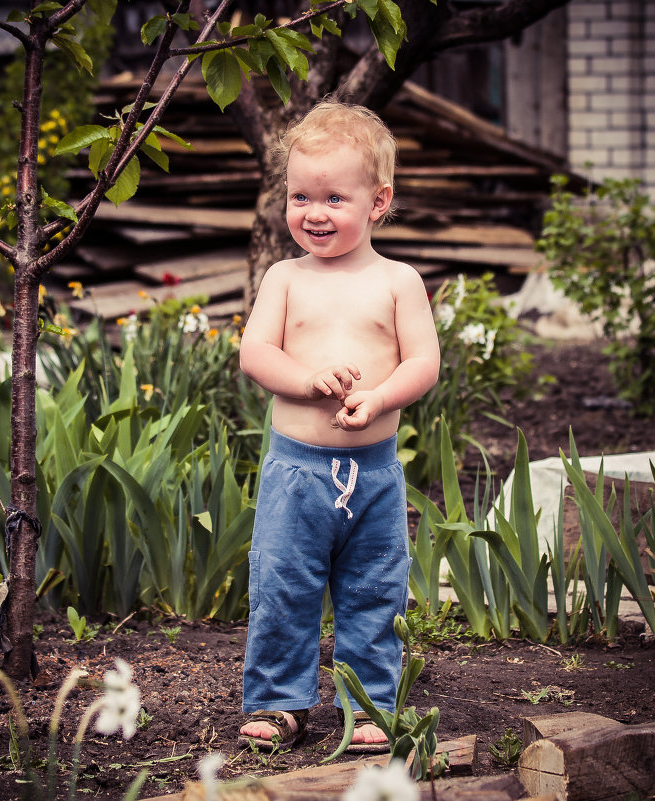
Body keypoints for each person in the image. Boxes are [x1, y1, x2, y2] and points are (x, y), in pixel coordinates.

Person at [237, 99, 441, 753]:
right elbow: (255, 354)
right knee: (282, 583)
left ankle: (369, 706)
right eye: (300, 195)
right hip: (296, 469)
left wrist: (379, 397)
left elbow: (424, 362)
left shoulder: (397, 281)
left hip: (373, 474)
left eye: (333, 197)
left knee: (375, 590)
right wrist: (305, 380)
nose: (313, 212)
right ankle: (277, 701)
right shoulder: (284, 278)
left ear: (377, 201)